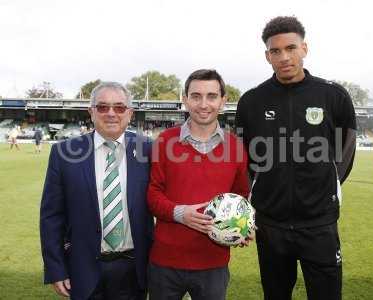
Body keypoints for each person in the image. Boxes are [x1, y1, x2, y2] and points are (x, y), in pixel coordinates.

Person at [235, 16, 356, 300]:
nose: (284, 57)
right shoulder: (251, 101)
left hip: (319, 223)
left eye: (291, 48)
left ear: (305, 48)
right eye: (275, 51)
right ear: (267, 56)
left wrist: (329, 186)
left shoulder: (333, 95)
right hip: (270, 224)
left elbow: (346, 148)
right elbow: (243, 158)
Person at [40, 82, 154, 300]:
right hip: (82, 269)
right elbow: (51, 216)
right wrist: (56, 268)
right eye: (102, 107)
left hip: (134, 269)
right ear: (91, 112)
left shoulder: (148, 149)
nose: (111, 113)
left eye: (119, 107)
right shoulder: (63, 153)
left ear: (130, 113)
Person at [147, 69, 250, 300]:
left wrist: (242, 226)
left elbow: (240, 199)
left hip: (213, 263)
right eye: (196, 96)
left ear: (223, 101)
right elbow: (153, 195)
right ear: (185, 99)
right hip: (165, 261)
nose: (204, 104)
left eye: (212, 96)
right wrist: (180, 213)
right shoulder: (165, 141)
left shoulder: (236, 147)